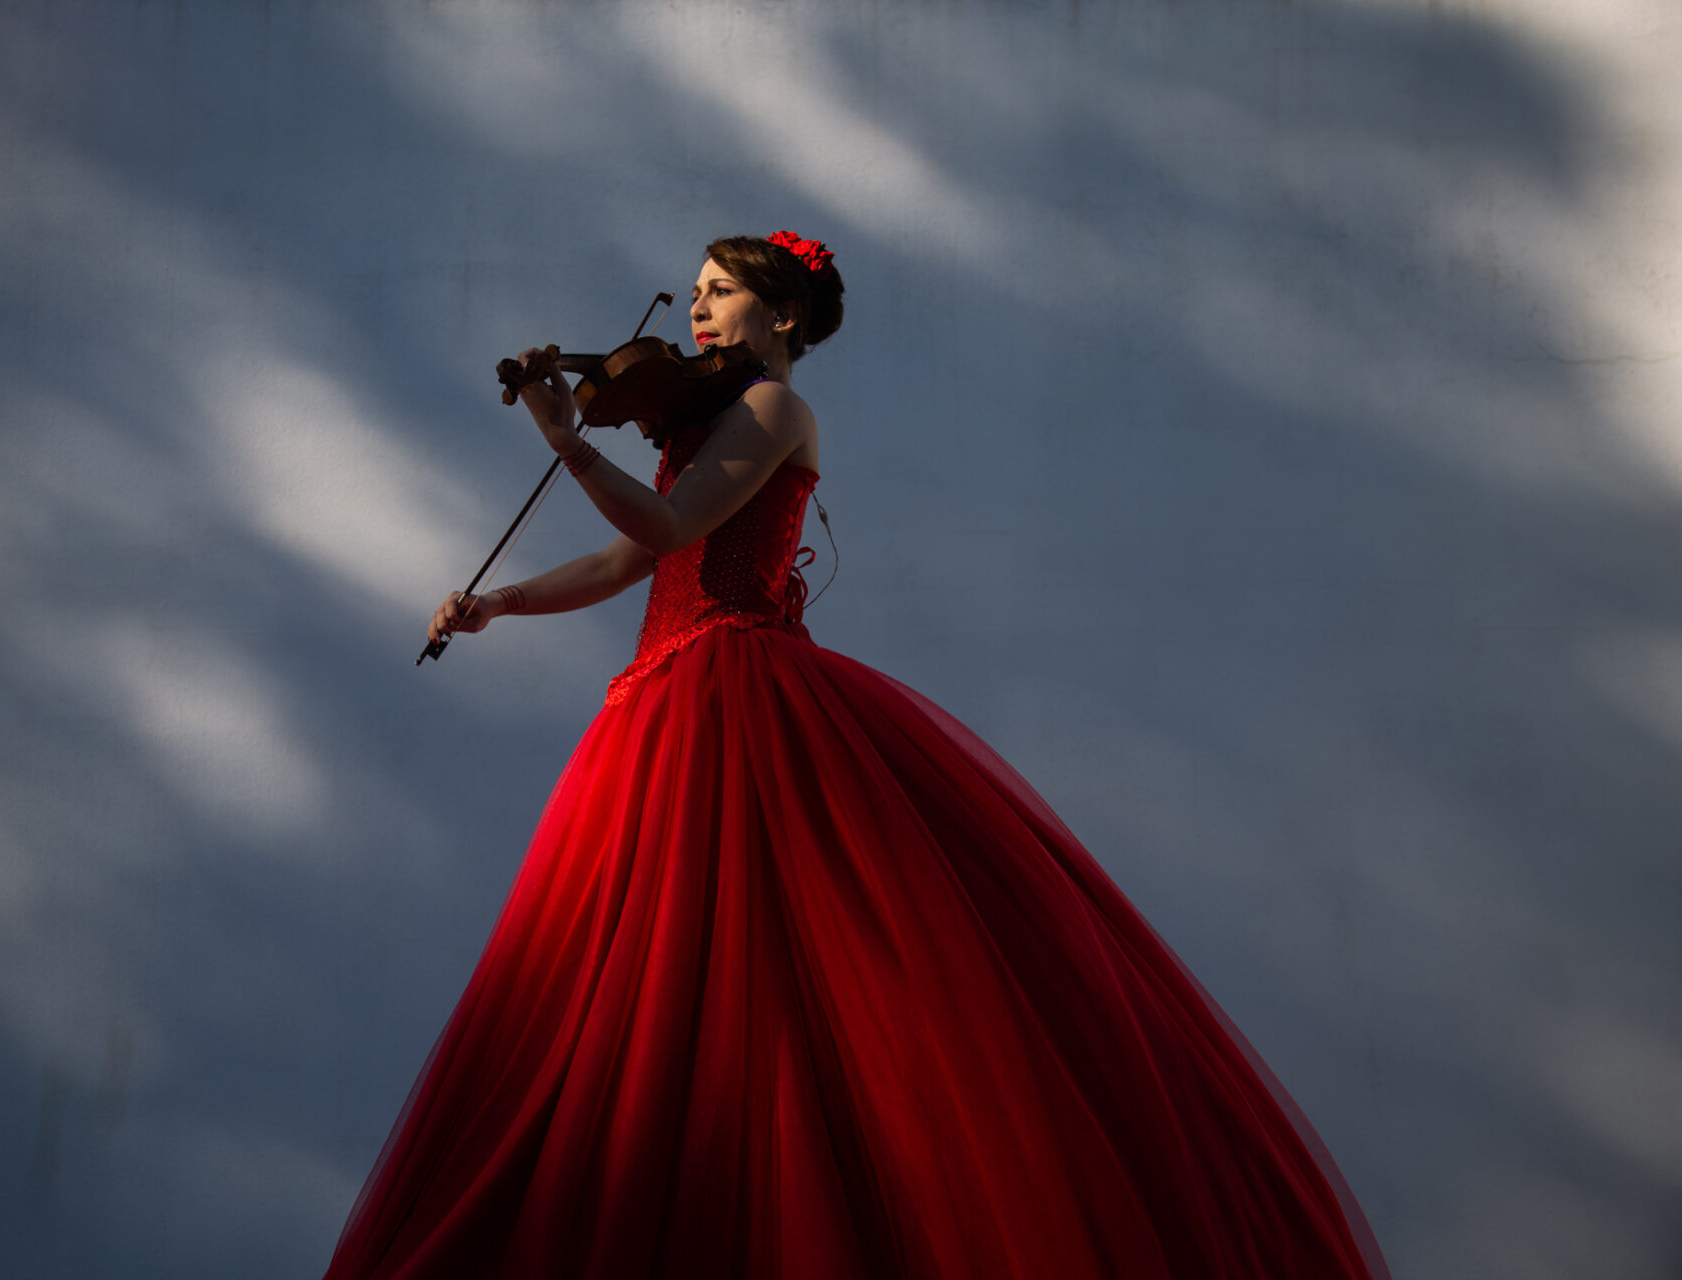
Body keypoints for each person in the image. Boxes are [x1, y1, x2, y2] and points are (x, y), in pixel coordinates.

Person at [321, 233, 1393, 1279]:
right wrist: (501, 600)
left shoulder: (776, 407)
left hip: (732, 692)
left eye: (718, 290)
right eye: (691, 291)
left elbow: (662, 525)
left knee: (761, 968)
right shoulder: (692, 416)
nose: (693, 308)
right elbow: (621, 557)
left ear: (782, 314)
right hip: (659, 702)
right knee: (647, 978)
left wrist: (571, 444)